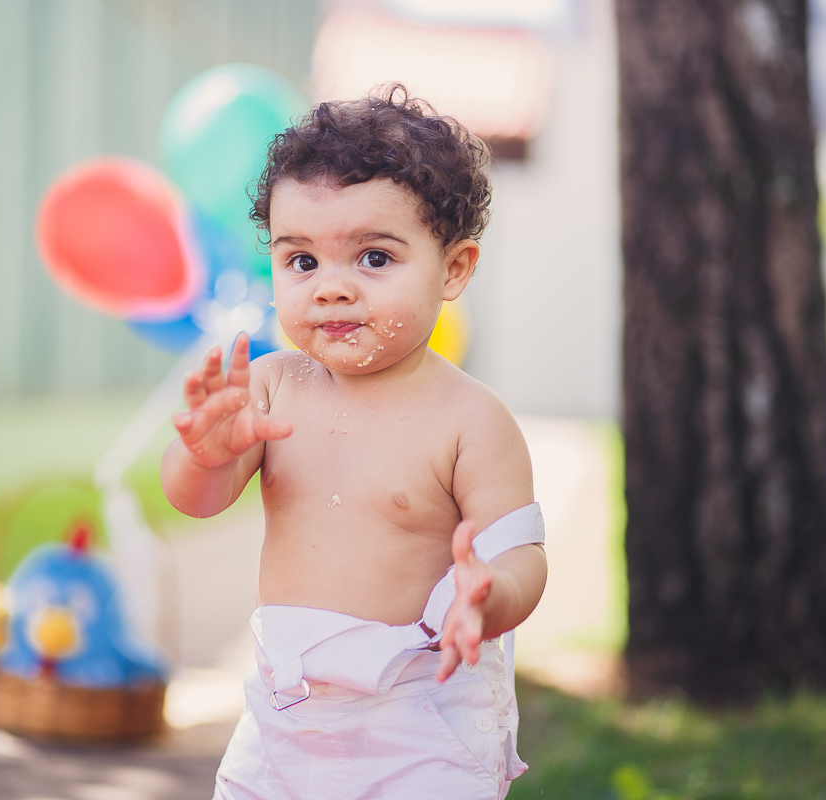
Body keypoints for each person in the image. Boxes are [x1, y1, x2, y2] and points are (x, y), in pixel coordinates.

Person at [160, 85, 548, 800]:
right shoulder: (274, 387)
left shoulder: (470, 419)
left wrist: (487, 596)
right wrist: (205, 454)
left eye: (373, 258)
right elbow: (197, 500)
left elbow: (520, 552)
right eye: (302, 261)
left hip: (420, 720)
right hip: (286, 712)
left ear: (455, 268)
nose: (331, 289)